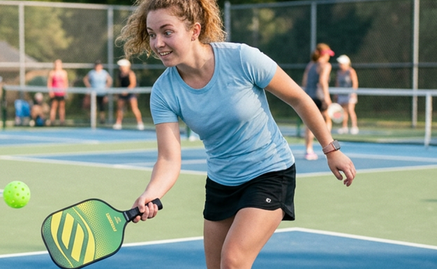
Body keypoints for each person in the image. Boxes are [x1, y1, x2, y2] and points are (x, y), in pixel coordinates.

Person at [117, 1, 356, 268]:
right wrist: (152, 192)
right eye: (151, 34)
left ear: (194, 31)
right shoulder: (164, 92)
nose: (158, 42)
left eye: (167, 32)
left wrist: (331, 149)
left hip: (270, 172)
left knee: (233, 260)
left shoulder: (242, 58)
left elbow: (299, 98)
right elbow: (169, 159)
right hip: (222, 183)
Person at [301, 43, 334, 160]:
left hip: (307, 97)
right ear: (324, 55)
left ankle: (308, 150)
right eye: (328, 54)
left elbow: (304, 81)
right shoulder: (326, 65)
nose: (329, 57)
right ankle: (328, 147)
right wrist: (327, 98)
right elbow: (323, 81)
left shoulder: (310, 65)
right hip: (318, 97)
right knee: (327, 120)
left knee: (309, 124)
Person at [114, 59, 145, 130]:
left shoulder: (130, 73)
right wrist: (117, 92)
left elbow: (133, 84)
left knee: (134, 108)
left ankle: (140, 123)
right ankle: (118, 123)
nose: (120, 67)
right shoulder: (119, 74)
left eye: (122, 66)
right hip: (121, 93)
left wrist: (126, 91)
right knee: (119, 108)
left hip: (131, 93)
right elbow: (118, 84)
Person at [334, 55, 358, 135]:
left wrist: (353, 93)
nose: (340, 65)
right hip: (341, 94)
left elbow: (355, 82)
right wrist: (336, 93)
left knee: (350, 110)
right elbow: (337, 83)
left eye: (341, 63)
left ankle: (354, 127)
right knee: (343, 111)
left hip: (350, 94)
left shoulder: (351, 71)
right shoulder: (339, 72)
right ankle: (344, 127)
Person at [83, 61, 112, 127]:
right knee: (93, 107)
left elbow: (109, 80)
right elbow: (85, 79)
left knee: (102, 107)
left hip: (102, 92)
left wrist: (106, 87)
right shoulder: (92, 73)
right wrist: (89, 86)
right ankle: (92, 120)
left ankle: (102, 120)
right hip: (94, 93)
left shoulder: (104, 73)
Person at [47, 59, 68, 126]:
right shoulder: (52, 73)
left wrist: (65, 91)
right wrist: (51, 92)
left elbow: (66, 83)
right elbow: (49, 83)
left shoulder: (64, 73)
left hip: (61, 93)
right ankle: (52, 121)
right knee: (53, 107)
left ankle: (62, 121)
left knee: (62, 107)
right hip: (54, 92)